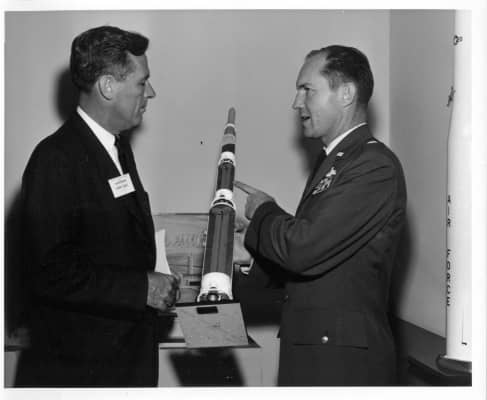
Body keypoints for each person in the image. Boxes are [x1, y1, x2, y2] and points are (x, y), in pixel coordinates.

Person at [16, 25, 180, 387]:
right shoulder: (54, 159)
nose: (150, 92)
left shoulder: (117, 148)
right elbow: (49, 273)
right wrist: (141, 288)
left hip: (126, 361)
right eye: (142, 82)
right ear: (107, 87)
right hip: (82, 373)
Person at [234, 45, 407, 386]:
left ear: (346, 94)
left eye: (307, 90)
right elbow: (319, 266)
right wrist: (250, 253)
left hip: (342, 364)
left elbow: (303, 249)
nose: (296, 103)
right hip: (317, 353)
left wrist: (263, 210)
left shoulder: (373, 165)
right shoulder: (336, 161)